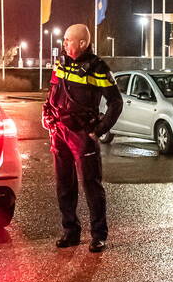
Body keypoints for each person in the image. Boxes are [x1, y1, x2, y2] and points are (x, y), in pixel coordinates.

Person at [42, 23, 123, 252]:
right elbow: (52, 91)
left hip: (82, 134)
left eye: (68, 40)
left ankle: (98, 235)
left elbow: (116, 103)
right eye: (65, 40)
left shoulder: (98, 67)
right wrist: (48, 112)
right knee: (64, 184)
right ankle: (70, 232)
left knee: (91, 185)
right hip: (59, 131)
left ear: (82, 43)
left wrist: (98, 130)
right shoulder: (61, 62)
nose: (64, 44)